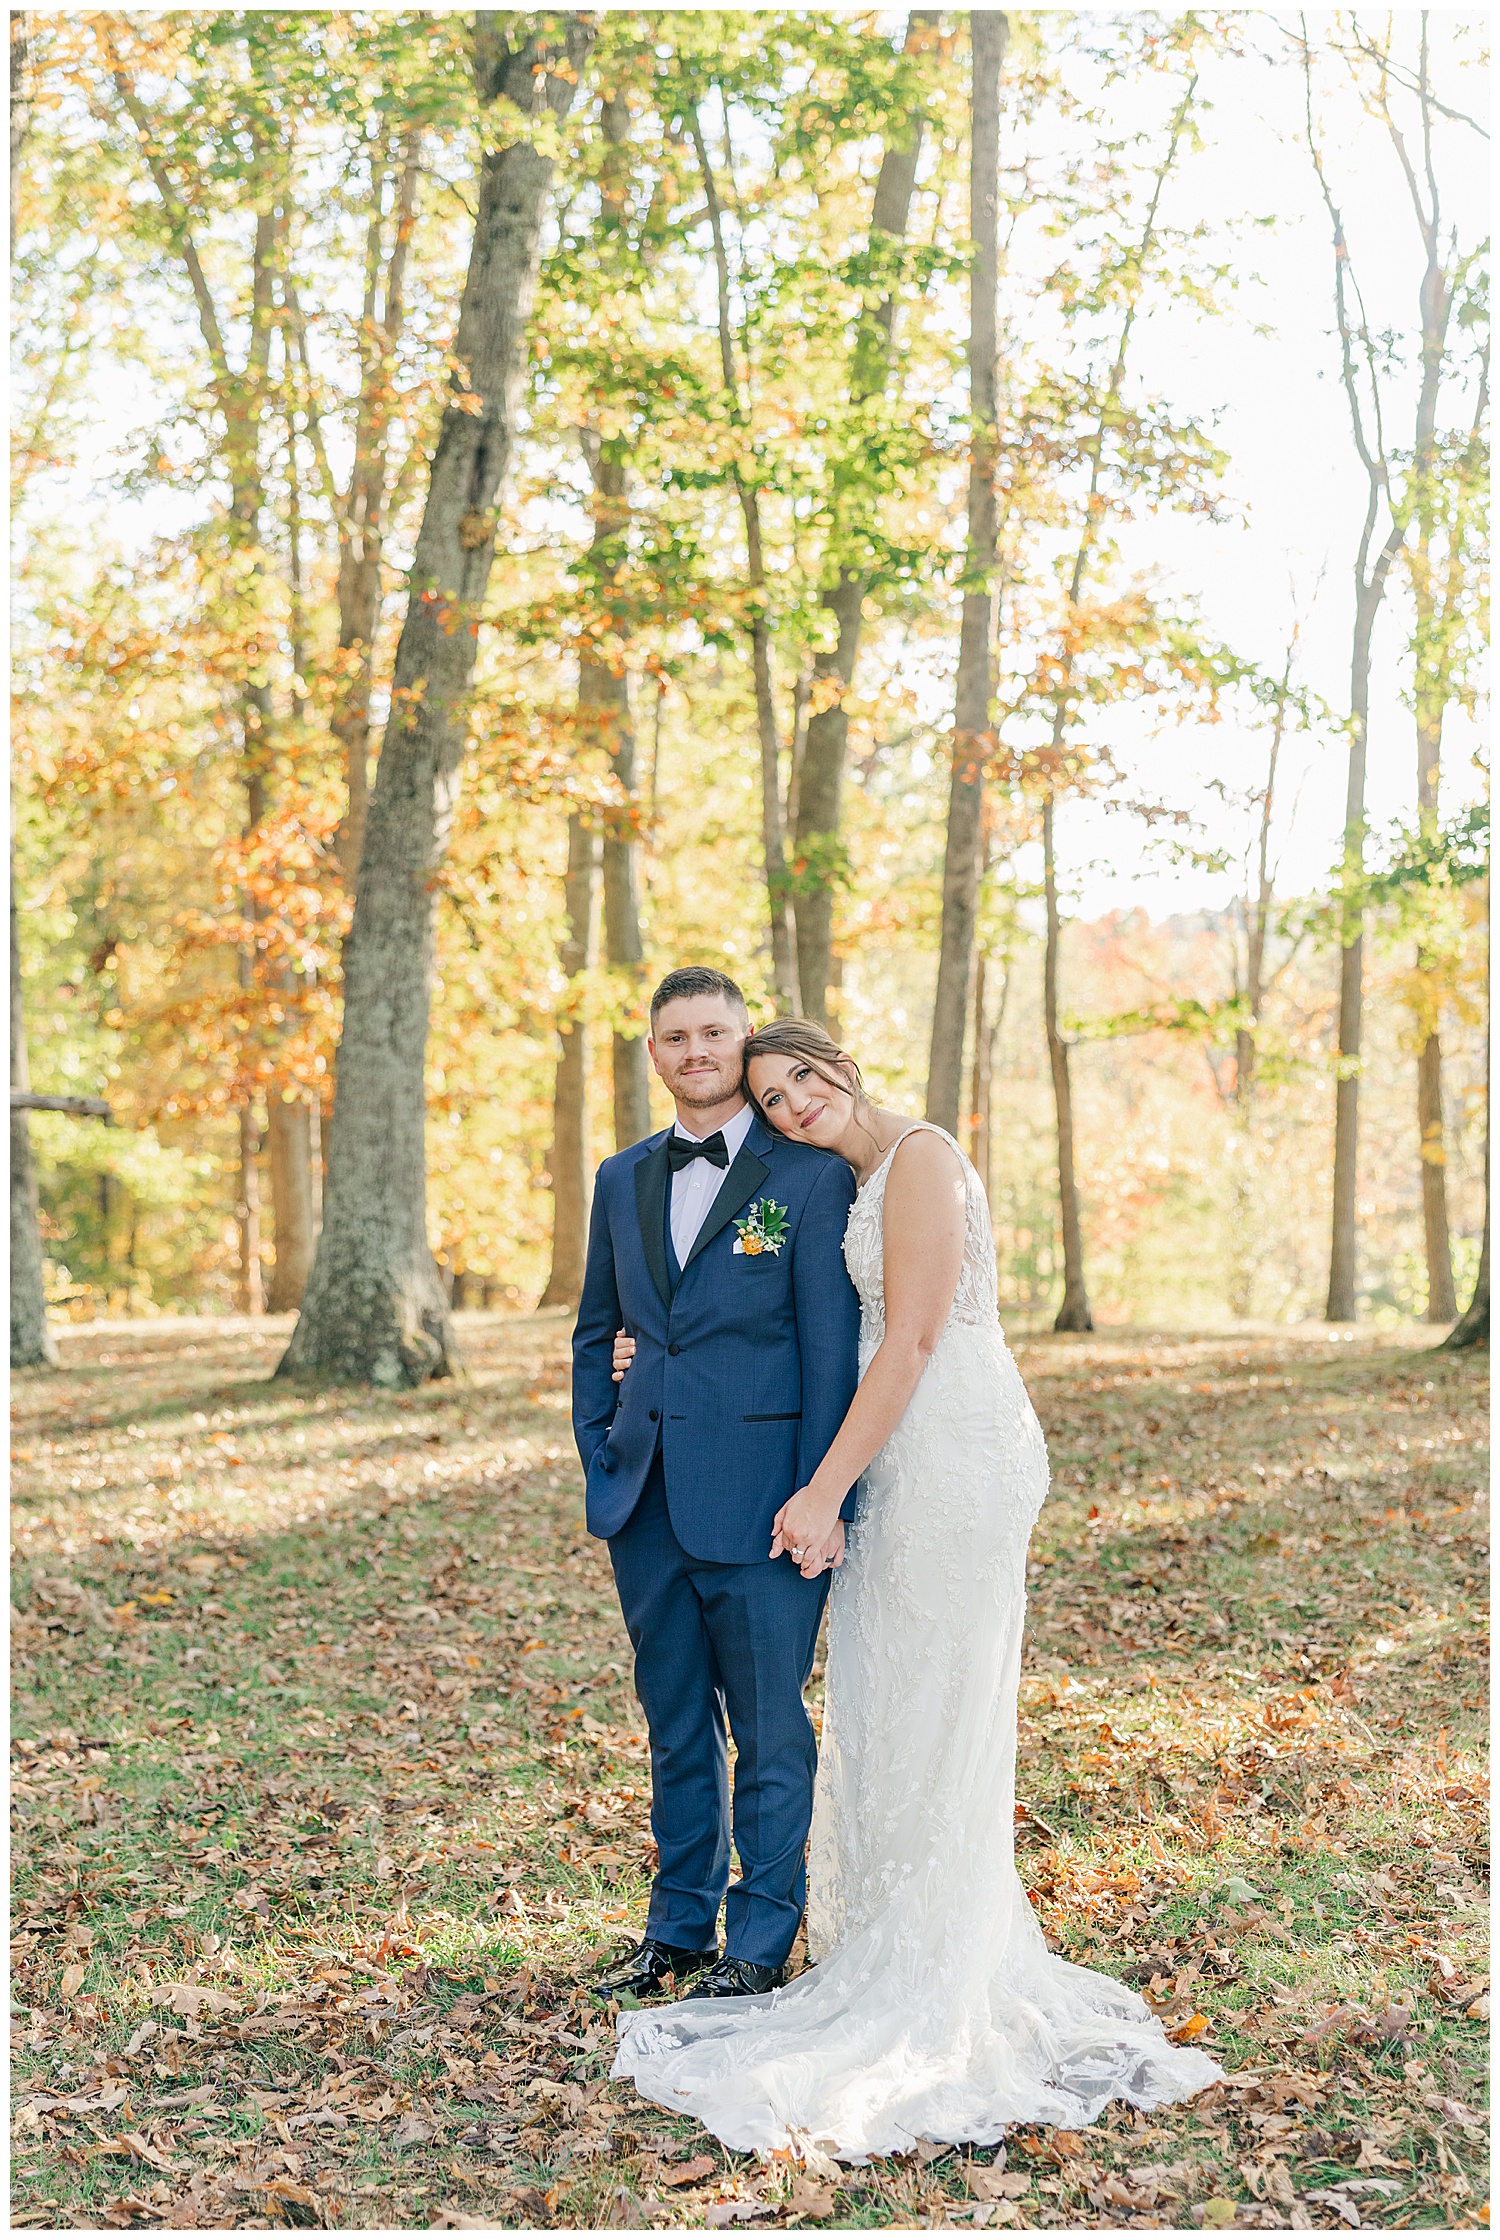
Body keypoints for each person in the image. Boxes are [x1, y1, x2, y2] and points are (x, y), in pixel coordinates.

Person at [607, 1018, 1222, 2158]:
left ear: (841, 1064)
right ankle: (902, 1939)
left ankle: (944, 1972)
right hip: (895, 1451)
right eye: (774, 1097)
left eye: (802, 1079)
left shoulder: (923, 1155)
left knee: (937, 1700)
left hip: (949, 1450)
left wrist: (821, 1488)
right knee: (894, 1701)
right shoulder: (847, 1175)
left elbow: (919, 1334)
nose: (792, 1106)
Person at [570, 970, 861, 2004]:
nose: (695, 1051)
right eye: (675, 1035)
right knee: (675, 1718)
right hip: (644, 1496)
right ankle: (677, 1925)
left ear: (743, 1044)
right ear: (654, 1052)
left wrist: (823, 1493)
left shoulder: (809, 1178)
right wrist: (601, 1448)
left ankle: (758, 1939)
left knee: (769, 1724)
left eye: (714, 1033)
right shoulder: (620, 1176)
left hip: (767, 1501)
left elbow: (831, 1352)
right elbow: (592, 1329)